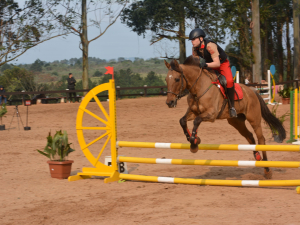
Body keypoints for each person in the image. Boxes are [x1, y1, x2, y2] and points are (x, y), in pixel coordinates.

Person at [189, 28, 237, 117]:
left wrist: (205, 65)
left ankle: (232, 107)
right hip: (210, 65)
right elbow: (195, 61)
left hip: (222, 64)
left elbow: (217, 63)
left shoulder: (210, 45)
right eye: (191, 40)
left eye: (194, 39)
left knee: (229, 81)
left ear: (201, 39)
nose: (192, 41)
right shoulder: (195, 48)